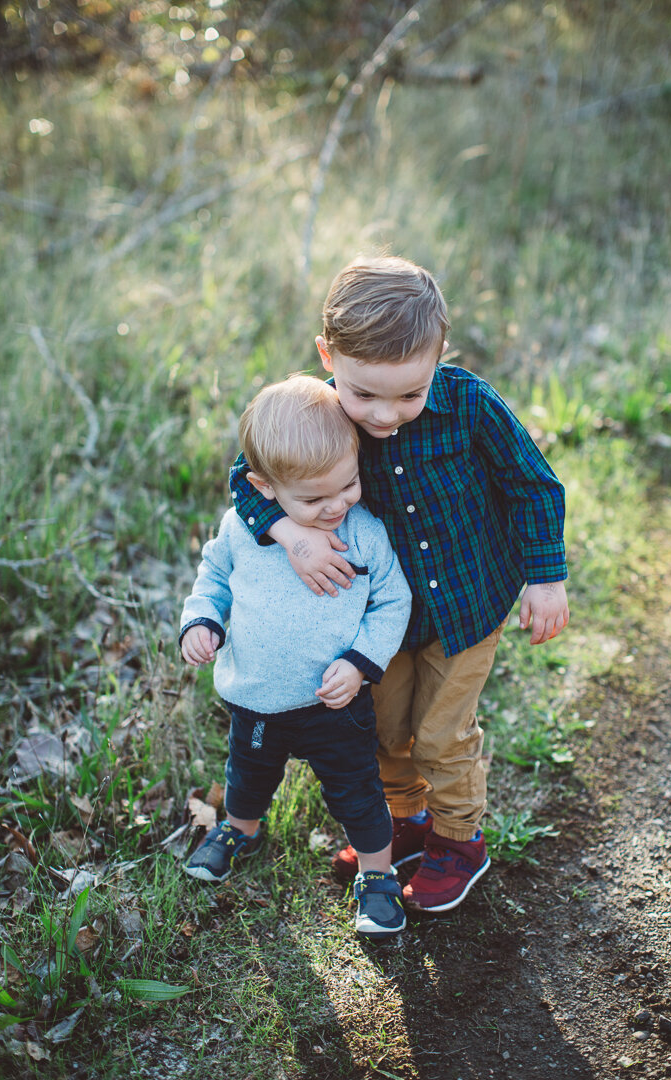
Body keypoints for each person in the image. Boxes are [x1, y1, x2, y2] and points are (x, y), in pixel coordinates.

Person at [229, 256, 570, 914]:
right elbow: (250, 477)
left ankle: (459, 840)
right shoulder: (316, 415)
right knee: (383, 731)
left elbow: (534, 483)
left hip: (466, 607)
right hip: (382, 618)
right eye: (365, 396)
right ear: (328, 356)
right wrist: (290, 534)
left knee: (442, 735)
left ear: (439, 356)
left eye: (410, 395)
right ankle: (406, 819)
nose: (386, 415)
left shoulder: (468, 404)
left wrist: (546, 576)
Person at [179, 375, 412, 940]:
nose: (337, 506)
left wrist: (359, 662)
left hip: (335, 702)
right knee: (248, 775)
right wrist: (202, 620)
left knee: (356, 789)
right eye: (313, 499)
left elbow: (392, 600)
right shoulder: (242, 529)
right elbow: (213, 576)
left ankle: (377, 874)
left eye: (349, 485)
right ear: (264, 488)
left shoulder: (366, 533)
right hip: (258, 693)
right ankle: (241, 828)